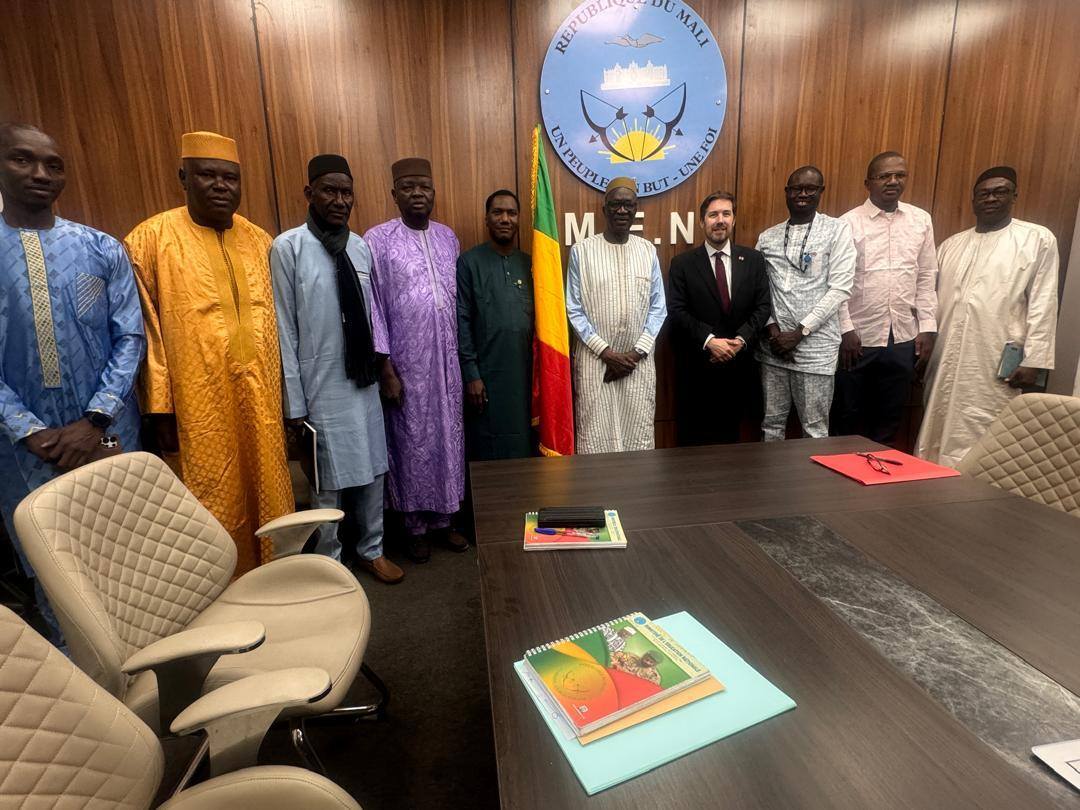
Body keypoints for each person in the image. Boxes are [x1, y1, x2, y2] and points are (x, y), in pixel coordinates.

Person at [0, 123, 145, 640]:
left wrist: (95, 420)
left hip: (107, 431)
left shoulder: (101, 248)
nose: (40, 173)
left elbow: (130, 337)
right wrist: (27, 429)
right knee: (52, 566)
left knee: (130, 552)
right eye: (22, 159)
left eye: (53, 165)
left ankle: (150, 664)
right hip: (21, 448)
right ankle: (79, 674)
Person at [125, 131, 292, 574]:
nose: (221, 186)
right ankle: (218, 584)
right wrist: (158, 408)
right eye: (207, 175)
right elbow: (144, 331)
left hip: (261, 398)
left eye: (230, 178)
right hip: (196, 406)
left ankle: (276, 573)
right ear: (184, 178)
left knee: (268, 485)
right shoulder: (150, 240)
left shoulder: (261, 241)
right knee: (210, 495)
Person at [270, 154, 402, 584]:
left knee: (374, 467)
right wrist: (294, 402)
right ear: (310, 194)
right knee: (326, 478)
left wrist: (384, 370)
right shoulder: (287, 248)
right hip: (319, 385)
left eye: (347, 192)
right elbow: (284, 327)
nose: (340, 200)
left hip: (362, 381)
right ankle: (330, 561)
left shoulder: (360, 247)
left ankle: (372, 550)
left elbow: (374, 315)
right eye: (330, 191)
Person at [916, 166, 1058, 468]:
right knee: (936, 421)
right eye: (984, 193)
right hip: (943, 357)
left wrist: (1035, 360)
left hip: (996, 359)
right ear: (973, 200)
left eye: (1000, 192)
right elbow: (928, 300)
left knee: (987, 429)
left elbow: (1044, 303)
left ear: (1014, 196)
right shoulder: (951, 245)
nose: (991, 198)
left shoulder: (1036, 239)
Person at [365, 157, 466, 562]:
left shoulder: (448, 237)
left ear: (434, 192)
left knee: (447, 440)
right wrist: (385, 367)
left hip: (448, 364)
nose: (417, 194)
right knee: (410, 444)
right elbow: (373, 306)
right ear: (394, 194)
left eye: (423, 186)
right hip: (406, 366)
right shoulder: (378, 240)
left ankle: (446, 520)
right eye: (408, 187)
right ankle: (413, 526)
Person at [834, 152, 937, 443]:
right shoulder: (847, 223)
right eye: (884, 176)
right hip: (857, 339)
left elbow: (927, 276)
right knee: (847, 414)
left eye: (899, 175)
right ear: (868, 183)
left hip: (902, 337)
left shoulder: (920, 220)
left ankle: (881, 469)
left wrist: (928, 327)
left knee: (890, 417)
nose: (893, 181)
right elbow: (837, 281)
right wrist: (845, 329)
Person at [565, 177, 666, 453]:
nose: (622, 211)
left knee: (637, 438)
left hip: (637, 364)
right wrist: (607, 353)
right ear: (604, 209)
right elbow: (574, 308)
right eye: (615, 205)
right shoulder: (582, 252)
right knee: (595, 438)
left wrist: (634, 354)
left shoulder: (647, 251)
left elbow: (658, 308)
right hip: (595, 361)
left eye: (628, 205)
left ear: (636, 209)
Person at [756, 166, 856, 441]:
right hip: (774, 349)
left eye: (810, 188)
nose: (803, 194)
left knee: (814, 430)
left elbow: (839, 289)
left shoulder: (837, 231)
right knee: (771, 426)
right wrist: (773, 331)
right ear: (786, 193)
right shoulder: (767, 237)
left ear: (821, 191)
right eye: (796, 189)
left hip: (816, 351)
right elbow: (759, 289)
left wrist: (799, 333)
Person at [667, 191, 771, 445]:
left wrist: (740, 341)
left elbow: (763, 306)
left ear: (734, 219)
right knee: (693, 448)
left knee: (734, 448)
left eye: (726, 214)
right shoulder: (682, 264)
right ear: (702, 222)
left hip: (739, 371)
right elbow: (677, 310)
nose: (720, 220)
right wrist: (710, 341)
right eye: (713, 215)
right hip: (697, 372)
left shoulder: (753, 260)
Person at [456, 189, 534, 460]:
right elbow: (462, 320)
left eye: (511, 213)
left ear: (519, 219)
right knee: (488, 452)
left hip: (524, 377)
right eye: (497, 212)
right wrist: (471, 375)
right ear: (486, 219)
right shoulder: (469, 263)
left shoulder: (530, 264)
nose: (504, 219)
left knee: (524, 448)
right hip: (486, 378)